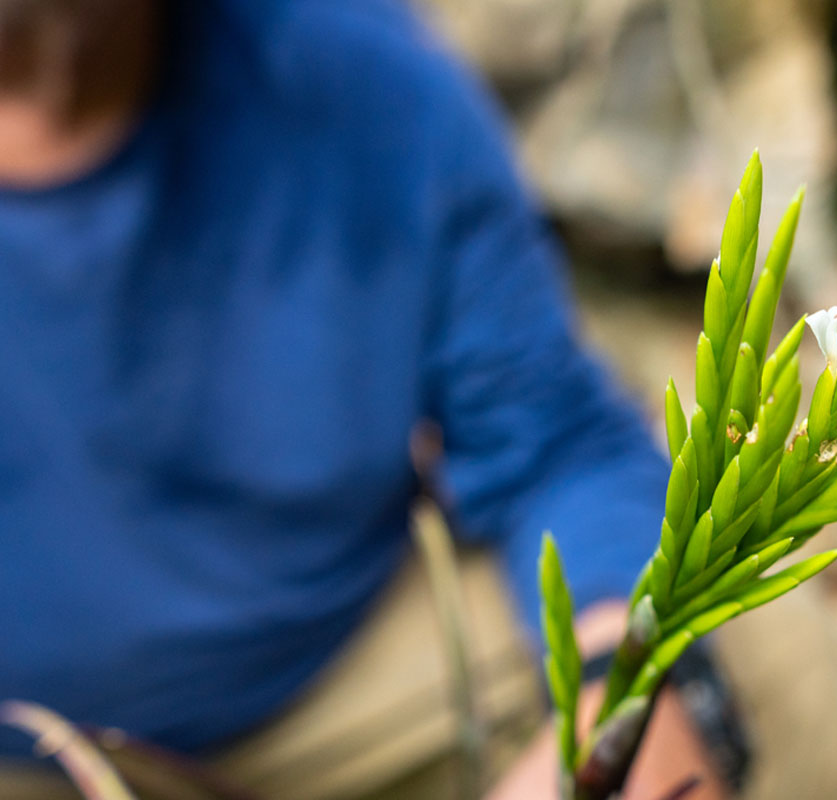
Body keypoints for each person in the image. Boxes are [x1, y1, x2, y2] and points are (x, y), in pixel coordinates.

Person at [0, 1, 727, 797]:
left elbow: (556, 442)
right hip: (26, 757)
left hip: (339, 673)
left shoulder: (360, 76)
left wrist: (619, 700)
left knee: (747, 651)